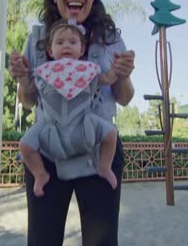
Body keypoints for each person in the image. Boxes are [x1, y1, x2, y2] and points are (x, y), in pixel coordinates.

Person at [9, 0, 135, 245]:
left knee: (102, 241)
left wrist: (121, 74)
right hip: (47, 153)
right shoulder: (38, 39)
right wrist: (22, 80)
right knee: (42, 240)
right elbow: (28, 101)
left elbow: (124, 98)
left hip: (98, 147)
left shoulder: (110, 38)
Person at [18, 18, 119, 198]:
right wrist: (22, 74)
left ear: (81, 49)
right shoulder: (44, 71)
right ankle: (40, 174)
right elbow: (30, 88)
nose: (66, 46)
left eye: (72, 42)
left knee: (111, 134)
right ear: (50, 50)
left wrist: (118, 68)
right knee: (25, 145)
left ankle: (104, 167)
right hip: (50, 124)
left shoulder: (88, 69)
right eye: (60, 42)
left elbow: (107, 79)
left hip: (83, 121)